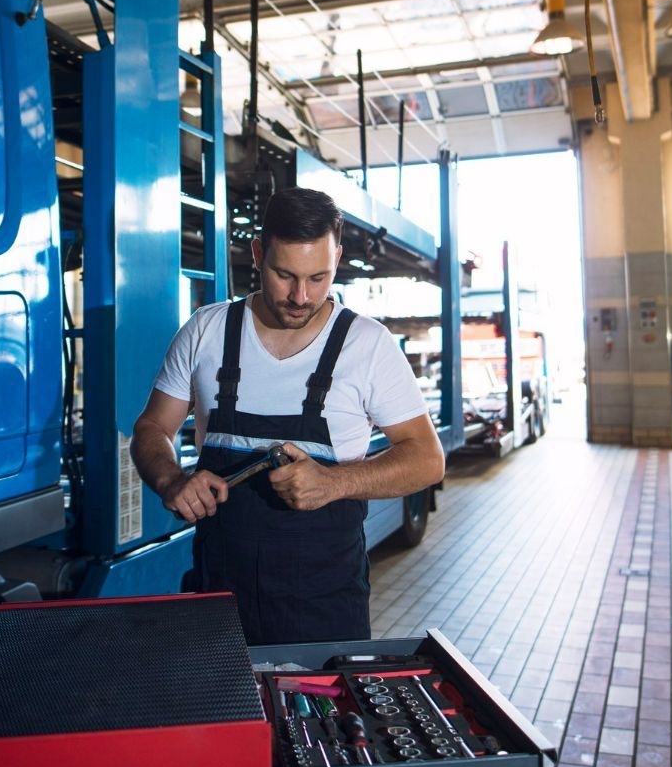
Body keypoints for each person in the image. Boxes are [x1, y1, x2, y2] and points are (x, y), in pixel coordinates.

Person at [130, 187, 446, 644]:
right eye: (284, 275)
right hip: (218, 604)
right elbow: (153, 427)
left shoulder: (367, 345)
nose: (301, 296)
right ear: (258, 254)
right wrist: (170, 479)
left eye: (319, 277)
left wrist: (336, 482)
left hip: (325, 610)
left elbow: (426, 459)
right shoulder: (207, 330)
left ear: (337, 257)